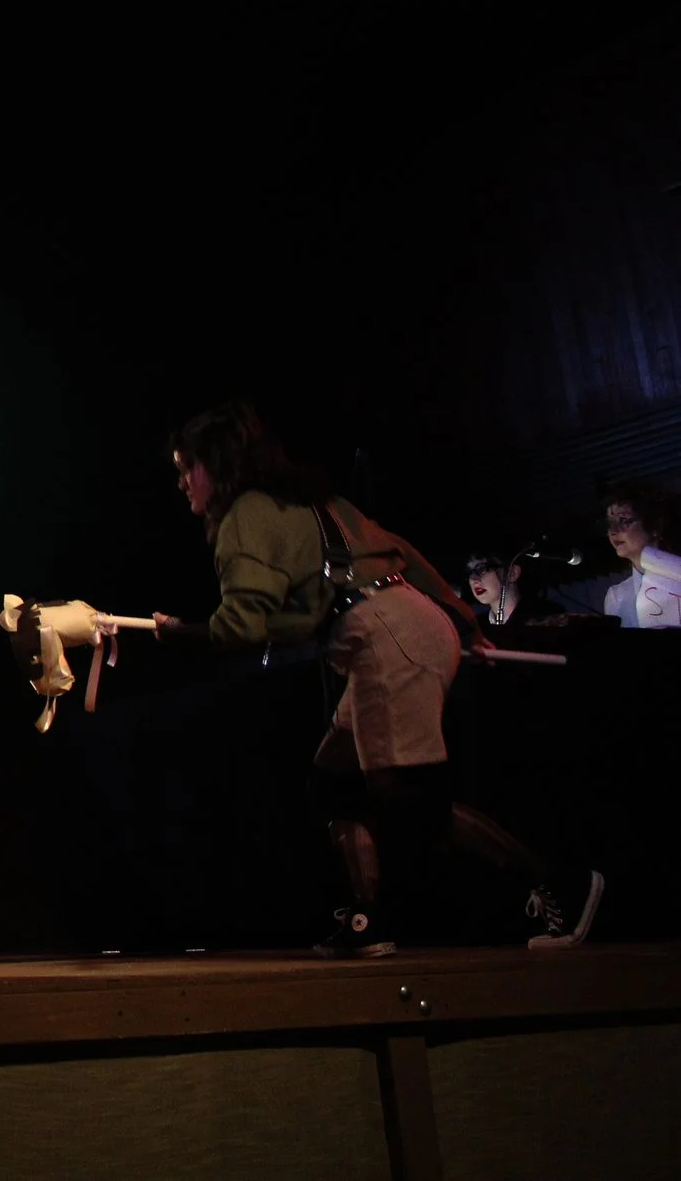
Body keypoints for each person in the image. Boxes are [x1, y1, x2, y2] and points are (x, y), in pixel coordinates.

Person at [152, 402, 601, 957]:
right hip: (402, 622)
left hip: (383, 634)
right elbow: (403, 553)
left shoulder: (245, 516)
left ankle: (557, 880)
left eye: (184, 467)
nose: (181, 482)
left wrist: (181, 635)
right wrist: (458, 619)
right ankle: (367, 920)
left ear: (214, 464)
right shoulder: (313, 500)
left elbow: (242, 624)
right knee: (334, 782)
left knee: (408, 797)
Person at [600, 484, 678, 631]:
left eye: (623, 520)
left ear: (655, 526)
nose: (613, 531)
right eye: (609, 523)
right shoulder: (617, 596)